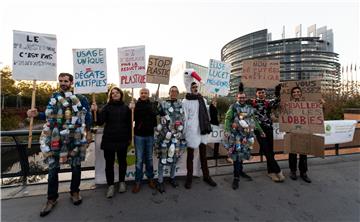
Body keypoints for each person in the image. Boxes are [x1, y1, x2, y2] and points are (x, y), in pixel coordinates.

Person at [27, 73, 92, 217]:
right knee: (52, 169)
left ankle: (75, 192)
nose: (63, 83)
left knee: (76, 167)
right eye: (61, 81)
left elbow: (87, 116)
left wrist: (89, 132)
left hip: (75, 136)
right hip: (55, 137)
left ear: (71, 82)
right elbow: (49, 116)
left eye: (66, 81)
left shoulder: (81, 98)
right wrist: (36, 114)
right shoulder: (54, 97)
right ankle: (51, 199)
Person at [91, 87, 132, 198]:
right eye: (112, 93)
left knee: (122, 162)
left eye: (116, 92)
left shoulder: (126, 108)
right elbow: (99, 122)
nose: (114, 94)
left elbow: (129, 124)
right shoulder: (106, 108)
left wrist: (129, 138)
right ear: (110, 96)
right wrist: (94, 111)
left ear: (121, 94)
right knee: (109, 164)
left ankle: (122, 182)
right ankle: (110, 186)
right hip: (109, 140)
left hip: (122, 140)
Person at [224, 87, 265, 189]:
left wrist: (260, 131)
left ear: (245, 98)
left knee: (243, 154)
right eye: (240, 98)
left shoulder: (249, 108)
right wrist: (227, 130)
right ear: (236, 98)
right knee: (236, 156)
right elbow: (228, 119)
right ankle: (236, 177)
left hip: (247, 136)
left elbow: (254, 121)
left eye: (243, 98)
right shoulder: (233, 107)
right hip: (236, 136)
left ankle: (241, 171)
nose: (242, 99)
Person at [182, 69, 217, 189]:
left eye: (196, 86)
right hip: (192, 131)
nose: (195, 88)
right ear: (190, 88)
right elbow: (184, 118)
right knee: (190, 156)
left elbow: (208, 114)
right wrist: (185, 132)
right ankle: (189, 177)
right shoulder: (185, 101)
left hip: (203, 130)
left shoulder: (203, 100)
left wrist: (213, 106)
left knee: (203, 154)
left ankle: (207, 176)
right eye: (193, 86)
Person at [154, 86, 186, 193]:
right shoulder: (163, 103)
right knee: (162, 159)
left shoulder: (181, 104)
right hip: (165, 136)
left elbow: (184, 118)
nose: (174, 93)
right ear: (169, 92)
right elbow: (157, 114)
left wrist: (181, 133)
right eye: (172, 91)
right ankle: (160, 181)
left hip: (176, 135)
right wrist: (155, 102)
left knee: (175, 158)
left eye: (176, 91)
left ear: (178, 93)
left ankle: (172, 178)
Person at [251, 86, 285, 182]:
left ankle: (271, 172)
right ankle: (277, 170)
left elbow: (278, 100)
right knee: (266, 150)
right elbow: (240, 100)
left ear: (265, 93)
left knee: (270, 151)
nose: (261, 94)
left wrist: (277, 91)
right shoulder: (252, 103)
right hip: (259, 129)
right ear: (256, 94)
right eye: (259, 92)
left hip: (269, 129)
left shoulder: (268, 102)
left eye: (262, 92)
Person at [132, 88, 157, 193]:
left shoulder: (152, 105)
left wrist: (156, 108)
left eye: (145, 93)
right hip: (139, 136)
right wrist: (131, 109)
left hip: (150, 135)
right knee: (139, 160)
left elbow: (155, 122)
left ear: (148, 94)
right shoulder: (135, 105)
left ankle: (150, 179)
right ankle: (138, 181)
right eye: (142, 93)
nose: (143, 94)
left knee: (149, 159)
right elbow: (131, 119)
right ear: (139, 94)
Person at [288, 86, 311, 183]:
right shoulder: (287, 105)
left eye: (298, 92)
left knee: (303, 153)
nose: (296, 93)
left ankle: (303, 173)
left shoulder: (307, 104)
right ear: (292, 94)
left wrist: (321, 105)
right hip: (292, 131)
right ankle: (293, 171)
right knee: (292, 152)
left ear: (301, 93)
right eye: (294, 92)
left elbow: (315, 114)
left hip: (304, 131)